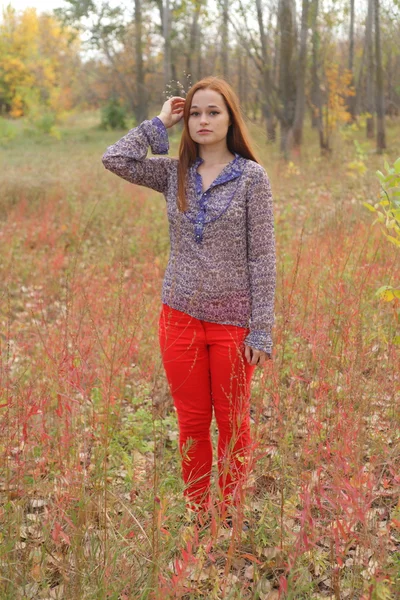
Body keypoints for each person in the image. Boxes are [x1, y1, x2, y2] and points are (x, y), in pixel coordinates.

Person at [102, 76, 276, 526]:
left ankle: (230, 513)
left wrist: (261, 327)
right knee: (193, 424)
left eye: (213, 112)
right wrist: (159, 122)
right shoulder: (172, 172)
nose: (203, 120)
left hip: (233, 324)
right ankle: (199, 515)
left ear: (229, 118)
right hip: (178, 317)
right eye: (195, 112)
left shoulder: (252, 178)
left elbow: (262, 256)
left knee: (234, 424)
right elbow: (115, 158)